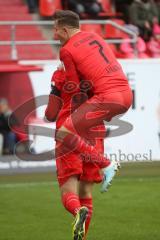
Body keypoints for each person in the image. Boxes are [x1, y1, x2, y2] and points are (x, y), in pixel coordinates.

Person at [51, 9, 132, 240]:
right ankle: (82, 236)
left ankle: (107, 164)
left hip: (105, 97)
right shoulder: (97, 37)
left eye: (56, 29)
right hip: (124, 95)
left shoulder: (66, 50)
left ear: (65, 29)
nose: (55, 34)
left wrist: (60, 78)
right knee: (86, 190)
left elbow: (76, 88)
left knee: (64, 131)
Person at [45, 65, 109, 240]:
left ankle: (77, 211)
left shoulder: (60, 74)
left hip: (69, 131)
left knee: (68, 192)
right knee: (86, 193)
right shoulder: (97, 71)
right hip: (94, 132)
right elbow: (109, 110)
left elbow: (51, 114)